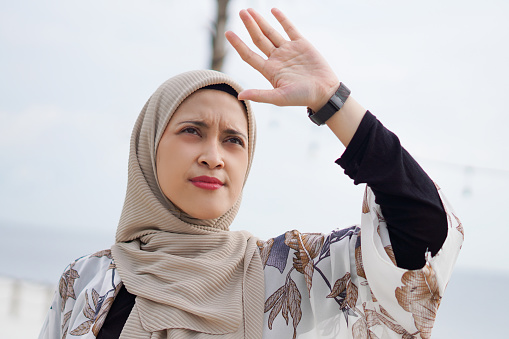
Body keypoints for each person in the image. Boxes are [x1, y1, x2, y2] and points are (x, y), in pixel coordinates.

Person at [38, 8, 463, 339]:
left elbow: (422, 231)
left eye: (233, 140)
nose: (213, 156)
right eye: (192, 131)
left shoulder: (288, 273)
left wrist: (333, 102)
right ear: (148, 147)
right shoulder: (86, 281)